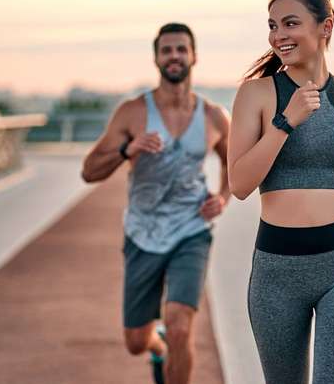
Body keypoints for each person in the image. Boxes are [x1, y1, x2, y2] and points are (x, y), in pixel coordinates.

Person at [227, 0, 334, 384]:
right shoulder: (257, 94)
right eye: (273, 25)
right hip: (277, 272)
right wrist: (285, 121)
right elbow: (240, 184)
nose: (278, 35)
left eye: (290, 23)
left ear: (325, 26)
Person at [81, 22, 231, 384]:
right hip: (142, 234)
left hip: (191, 230)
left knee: (181, 326)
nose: (174, 56)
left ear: (194, 56)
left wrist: (223, 197)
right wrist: (126, 149)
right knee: (135, 341)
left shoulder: (213, 116)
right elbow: (89, 171)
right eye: (167, 50)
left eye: (181, 49)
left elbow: (233, 161)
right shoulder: (132, 112)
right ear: (156, 58)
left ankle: (171, 345)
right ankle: (157, 347)